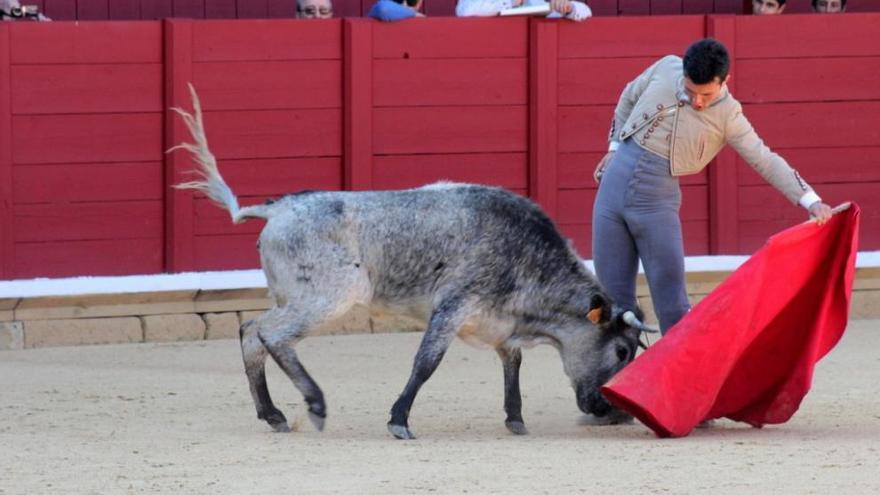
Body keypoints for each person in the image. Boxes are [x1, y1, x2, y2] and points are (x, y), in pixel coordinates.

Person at [591, 38, 832, 338]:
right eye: (690, 91)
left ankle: (678, 380)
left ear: (725, 80)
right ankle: (609, 382)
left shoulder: (729, 115)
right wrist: (614, 147)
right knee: (609, 300)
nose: (697, 101)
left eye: (706, 93)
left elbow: (765, 159)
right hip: (611, 191)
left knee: (672, 300)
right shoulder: (666, 68)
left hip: (656, 202)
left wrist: (810, 200)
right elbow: (629, 96)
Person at [455, 0, 591, 22]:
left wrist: (569, 8)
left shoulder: (534, 2)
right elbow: (464, 10)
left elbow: (585, 12)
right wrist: (510, 2)